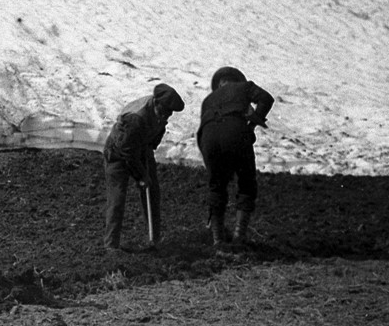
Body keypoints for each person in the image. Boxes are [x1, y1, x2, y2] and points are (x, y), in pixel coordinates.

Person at [196, 66, 274, 245]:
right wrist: (252, 125)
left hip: (208, 139)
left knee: (217, 186)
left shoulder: (208, 100)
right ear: (236, 80)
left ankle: (217, 240)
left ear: (219, 83)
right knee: (246, 183)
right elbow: (266, 99)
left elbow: (204, 131)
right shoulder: (243, 87)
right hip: (235, 131)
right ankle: (239, 238)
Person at [102, 83, 185, 250]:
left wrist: (147, 158)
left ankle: (154, 239)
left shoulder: (161, 114)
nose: (167, 115)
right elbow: (127, 152)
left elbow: (154, 138)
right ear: (156, 103)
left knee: (152, 192)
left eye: (170, 112)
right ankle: (111, 246)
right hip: (118, 153)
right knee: (117, 198)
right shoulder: (136, 118)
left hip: (141, 149)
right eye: (165, 110)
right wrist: (142, 176)